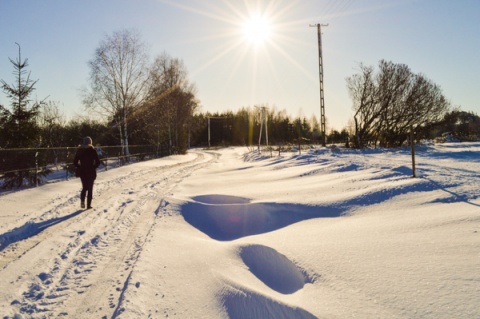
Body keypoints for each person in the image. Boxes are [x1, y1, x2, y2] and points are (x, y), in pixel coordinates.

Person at [74, 136, 100, 209]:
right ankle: (88, 205)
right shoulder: (92, 151)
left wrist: (80, 167)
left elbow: (75, 162)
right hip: (91, 171)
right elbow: (98, 162)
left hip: (83, 172)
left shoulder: (80, 151)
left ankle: (82, 201)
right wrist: (93, 167)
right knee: (90, 188)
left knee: (84, 187)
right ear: (90, 143)